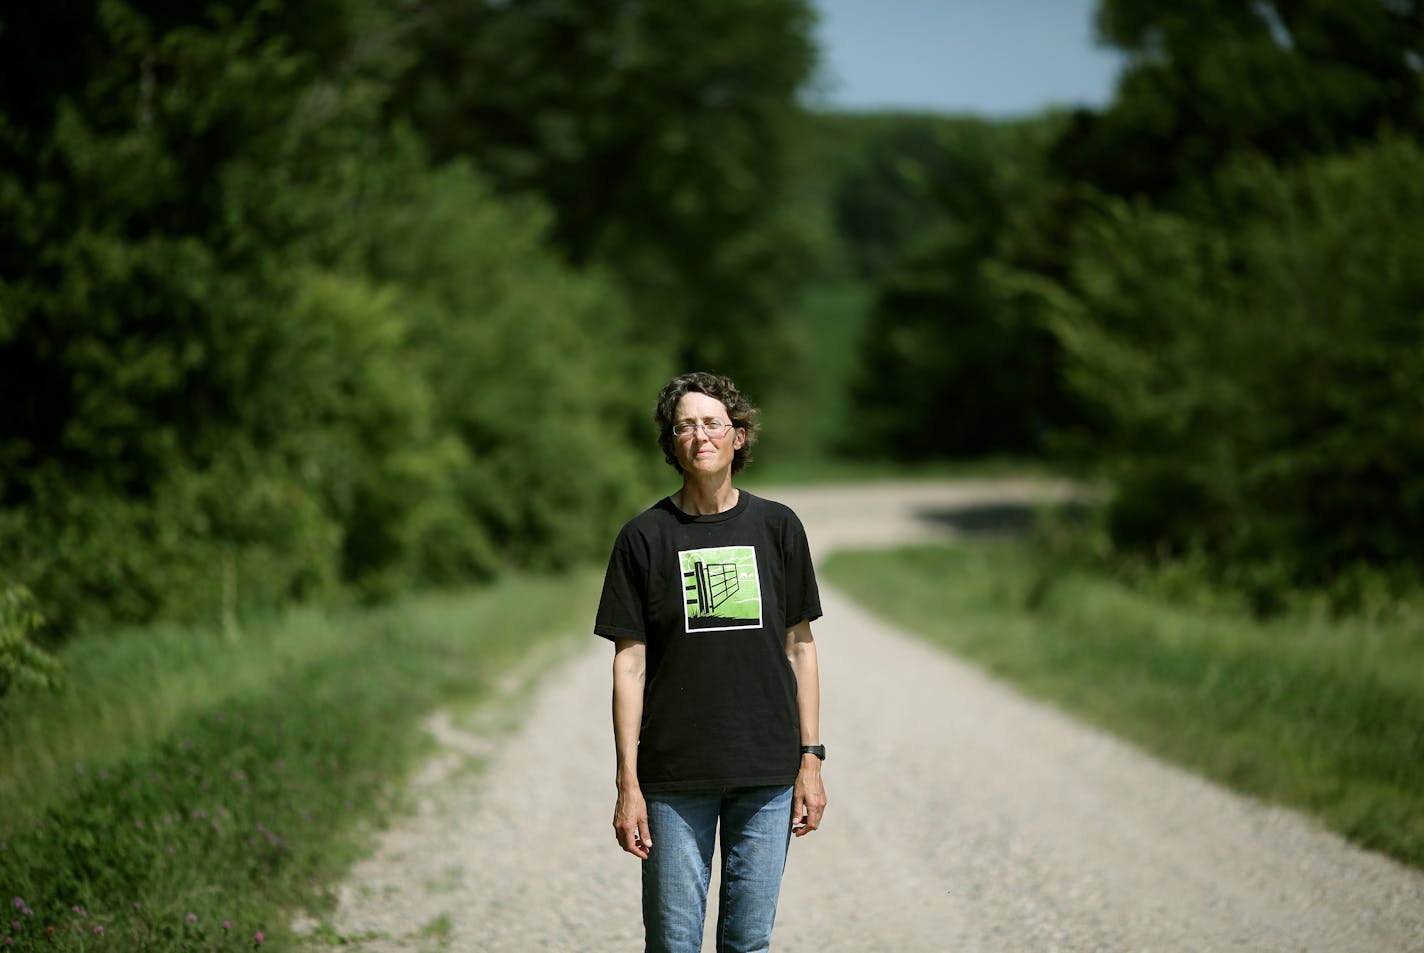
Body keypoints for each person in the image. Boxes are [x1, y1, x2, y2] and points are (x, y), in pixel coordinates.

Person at [594, 371, 827, 953]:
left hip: (767, 771)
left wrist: (811, 758)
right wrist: (628, 781)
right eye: (685, 426)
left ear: (738, 435)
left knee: (748, 943)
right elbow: (630, 665)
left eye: (713, 424)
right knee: (673, 943)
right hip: (674, 776)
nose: (700, 436)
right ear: (672, 443)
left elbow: (800, 647)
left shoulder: (777, 527)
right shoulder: (643, 538)